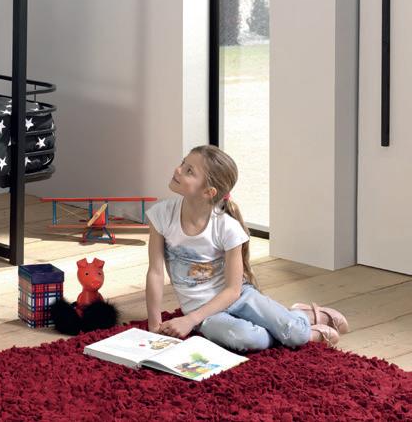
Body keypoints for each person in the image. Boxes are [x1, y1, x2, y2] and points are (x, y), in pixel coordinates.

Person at [145, 144, 350, 351]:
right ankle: (286, 326)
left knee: (297, 335)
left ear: (208, 192)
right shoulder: (161, 215)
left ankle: (300, 317)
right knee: (250, 339)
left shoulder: (227, 227)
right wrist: (154, 326)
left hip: (239, 297)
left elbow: (233, 290)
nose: (178, 170)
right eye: (183, 163)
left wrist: (189, 320)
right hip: (203, 313)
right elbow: (155, 273)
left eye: (189, 171)